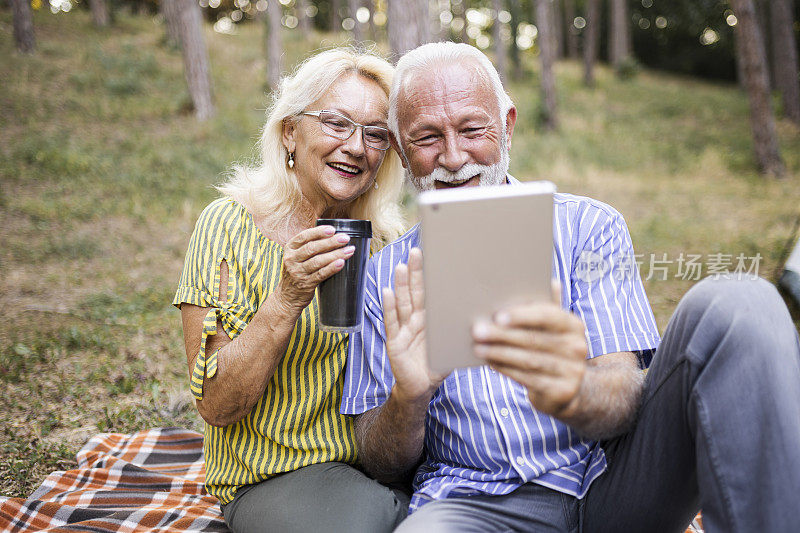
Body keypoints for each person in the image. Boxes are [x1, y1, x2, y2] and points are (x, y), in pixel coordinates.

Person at [342, 42, 800, 532]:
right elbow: (378, 460)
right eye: (426, 137)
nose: (453, 158)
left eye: (473, 129)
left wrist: (574, 389)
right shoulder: (381, 277)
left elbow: (625, 393)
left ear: (508, 125)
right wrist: (409, 396)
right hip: (471, 503)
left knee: (740, 302)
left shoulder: (590, 228)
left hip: (610, 482)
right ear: (399, 148)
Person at [173, 48, 410, 533]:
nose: (356, 146)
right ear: (289, 132)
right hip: (276, 475)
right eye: (336, 123)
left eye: (374, 133)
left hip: (383, 459)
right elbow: (216, 405)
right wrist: (285, 298)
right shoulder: (229, 227)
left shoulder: (387, 243)